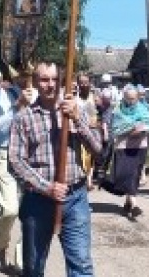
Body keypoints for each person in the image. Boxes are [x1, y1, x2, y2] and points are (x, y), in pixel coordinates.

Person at [8, 62, 103, 276]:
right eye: (44, 79)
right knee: (34, 267)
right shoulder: (24, 117)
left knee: (82, 265)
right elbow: (15, 161)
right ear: (35, 81)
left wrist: (78, 119)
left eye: (54, 79)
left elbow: (98, 148)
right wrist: (46, 187)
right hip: (38, 201)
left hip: (75, 198)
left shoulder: (75, 112)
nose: (50, 85)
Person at [0, 82, 33, 272]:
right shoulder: (2, 92)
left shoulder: (39, 87)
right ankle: (2, 245)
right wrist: (18, 106)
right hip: (4, 153)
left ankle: (21, 261)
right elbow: (1, 127)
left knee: (30, 213)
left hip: (30, 156)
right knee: (9, 209)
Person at [105, 86, 149, 220]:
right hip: (123, 147)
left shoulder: (143, 109)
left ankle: (130, 202)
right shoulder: (118, 110)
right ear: (124, 97)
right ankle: (134, 204)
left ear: (137, 98)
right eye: (128, 98)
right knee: (127, 174)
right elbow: (115, 127)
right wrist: (131, 129)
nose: (131, 101)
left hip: (140, 146)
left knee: (135, 174)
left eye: (133, 98)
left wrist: (142, 129)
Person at [75, 73, 99, 191]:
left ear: (89, 83)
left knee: (91, 155)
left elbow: (100, 112)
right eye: (81, 82)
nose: (84, 85)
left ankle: (89, 180)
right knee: (82, 156)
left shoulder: (94, 97)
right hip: (78, 130)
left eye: (86, 82)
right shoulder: (75, 98)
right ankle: (83, 178)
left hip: (92, 130)